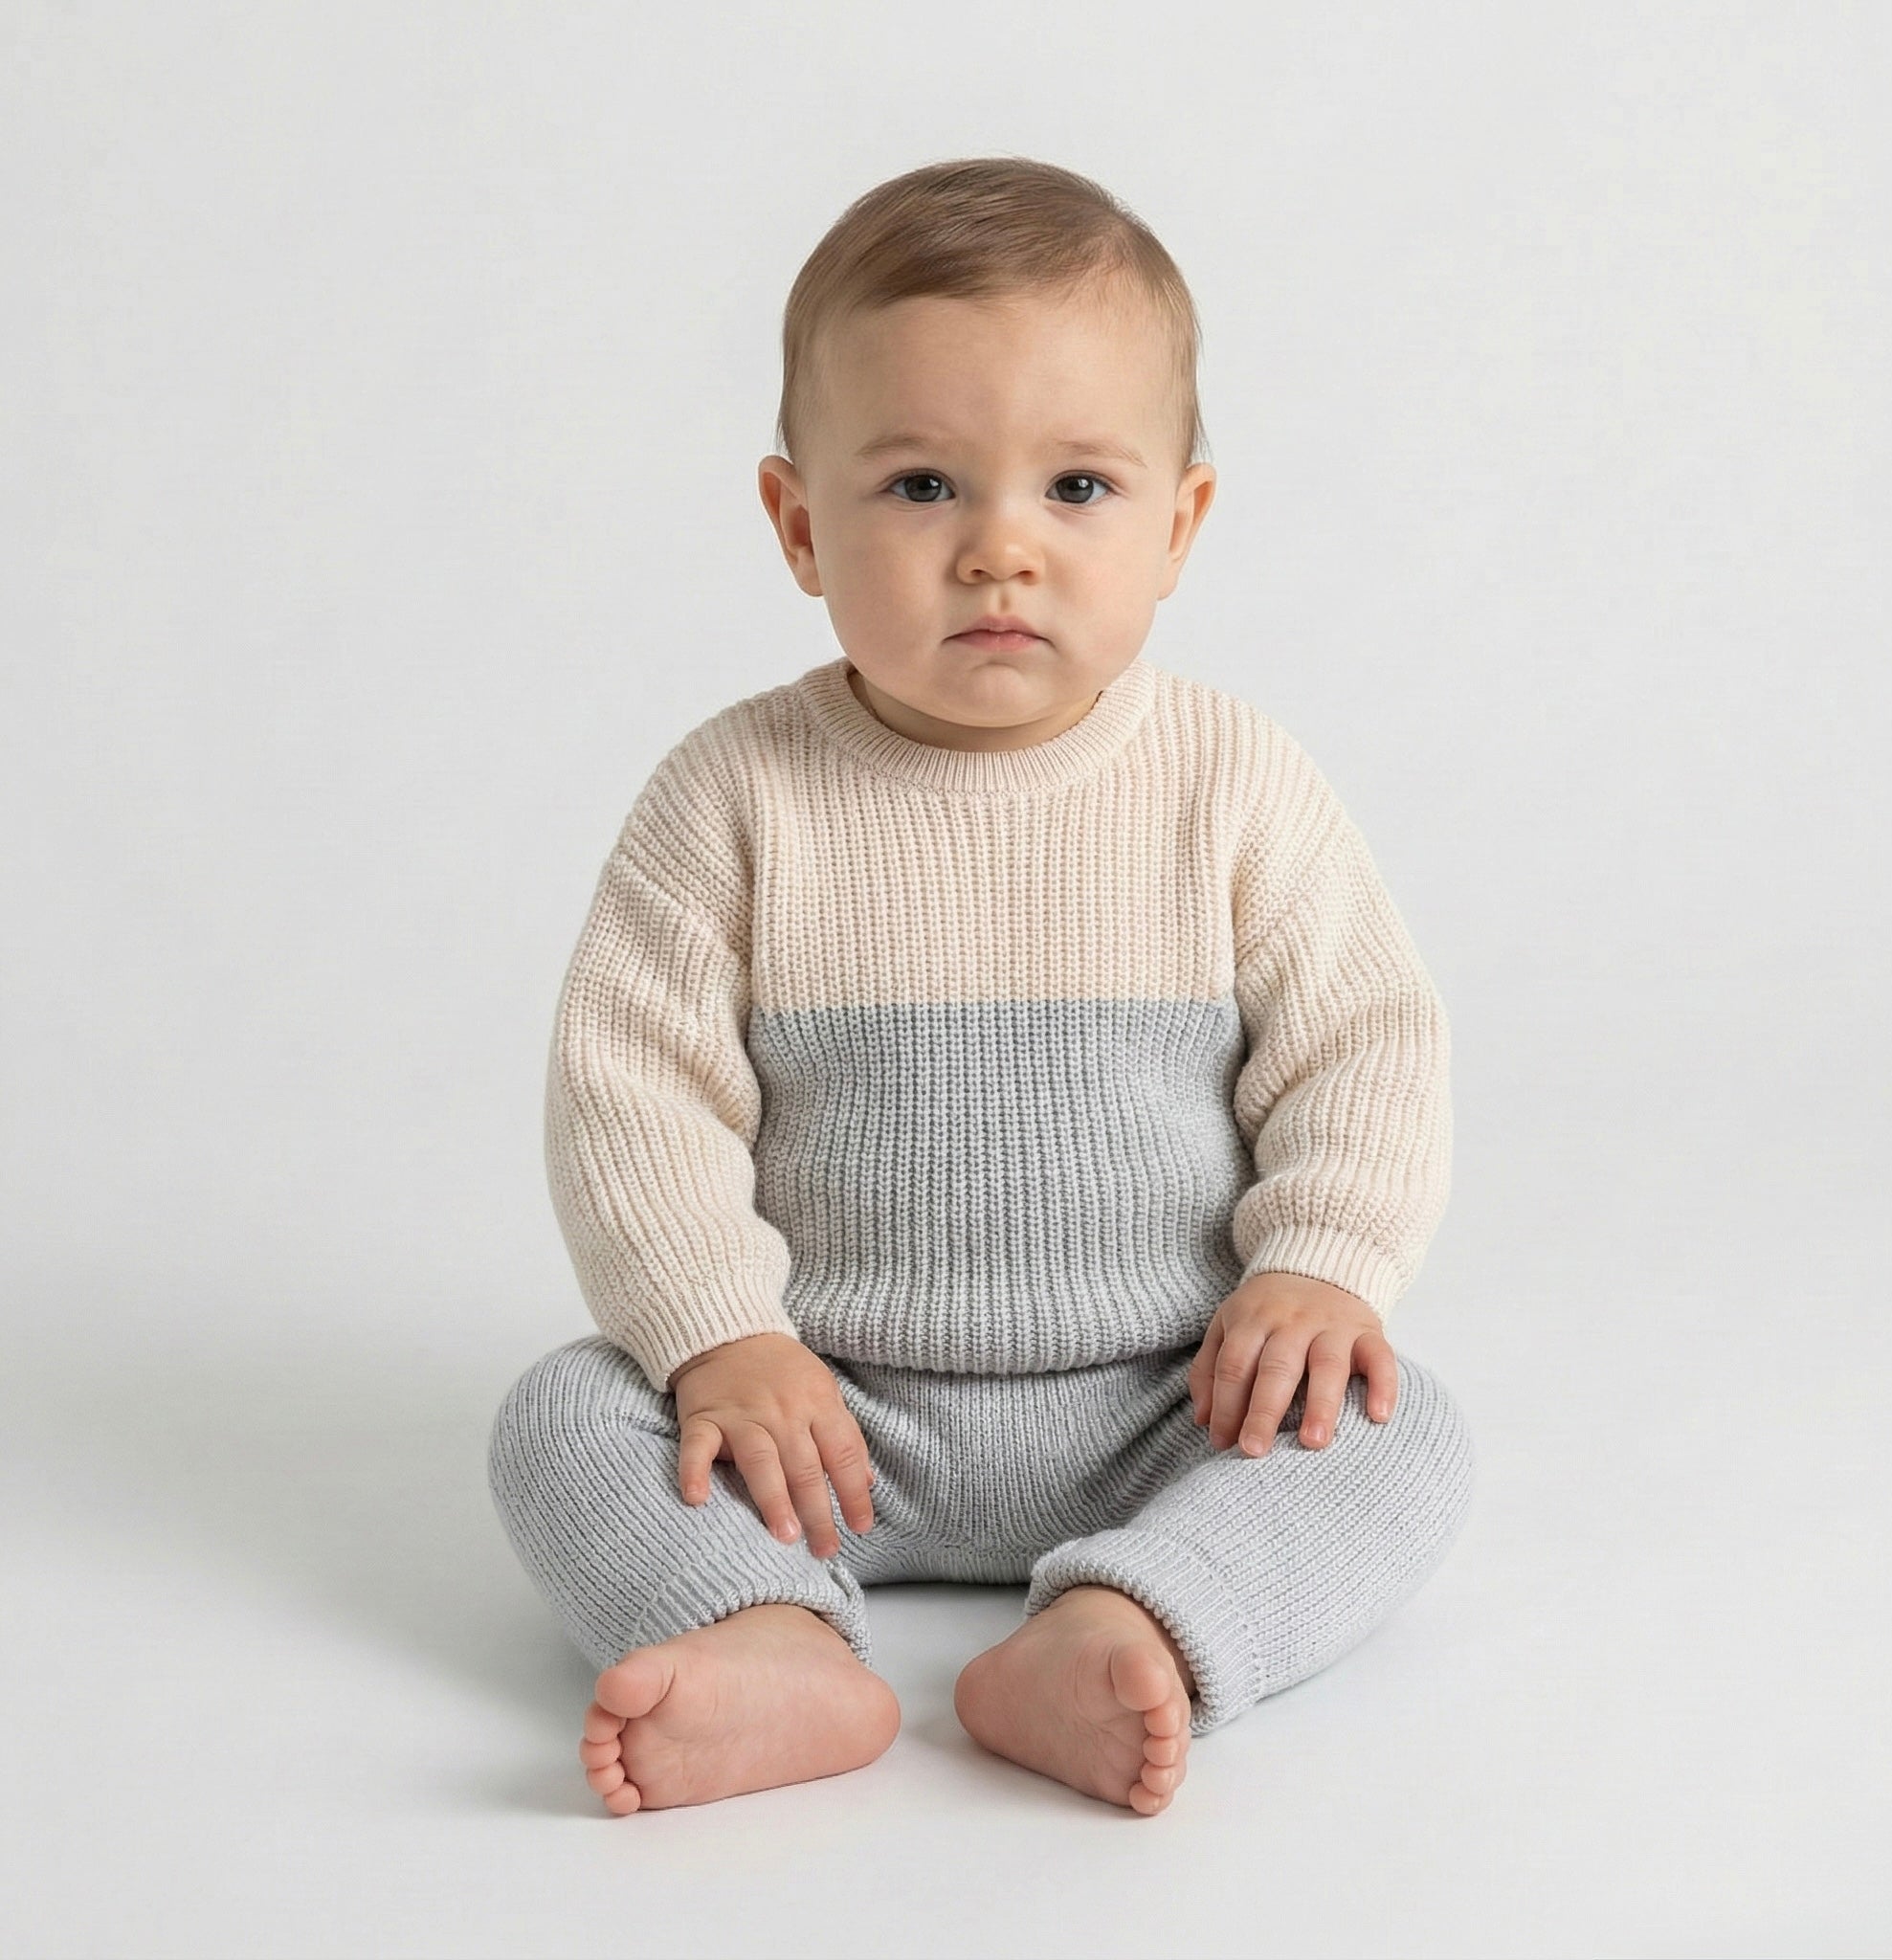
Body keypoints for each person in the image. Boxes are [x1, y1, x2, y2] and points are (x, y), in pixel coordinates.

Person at [488, 155, 1474, 1819]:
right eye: (924, 488)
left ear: (1184, 521)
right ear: (801, 526)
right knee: (560, 1418)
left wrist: (1318, 1270)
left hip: (1170, 1398)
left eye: (1078, 490)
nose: (999, 552)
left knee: (1405, 1430)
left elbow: (1361, 1045)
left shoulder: (1231, 779)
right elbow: (630, 1093)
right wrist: (721, 1338)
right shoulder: (734, 794)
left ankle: (1133, 1620)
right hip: (824, 1424)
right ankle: (768, 1635)